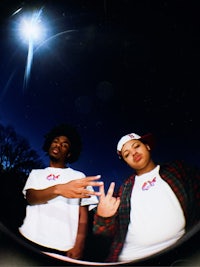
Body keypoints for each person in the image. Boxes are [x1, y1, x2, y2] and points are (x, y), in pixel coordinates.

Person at [93, 132, 200, 263]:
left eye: (136, 146)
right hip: (130, 258)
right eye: (127, 154)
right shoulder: (123, 191)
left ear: (147, 146)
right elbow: (103, 234)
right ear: (126, 162)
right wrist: (103, 217)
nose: (133, 153)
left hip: (180, 253)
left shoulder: (177, 170)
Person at [19, 123, 102, 260]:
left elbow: (83, 216)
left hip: (63, 247)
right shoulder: (36, 173)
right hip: (29, 238)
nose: (58, 145)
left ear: (69, 153)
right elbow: (30, 198)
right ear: (49, 145)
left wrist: (79, 245)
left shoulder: (79, 177)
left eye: (64, 144)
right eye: (55, 141)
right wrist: (58, 189)